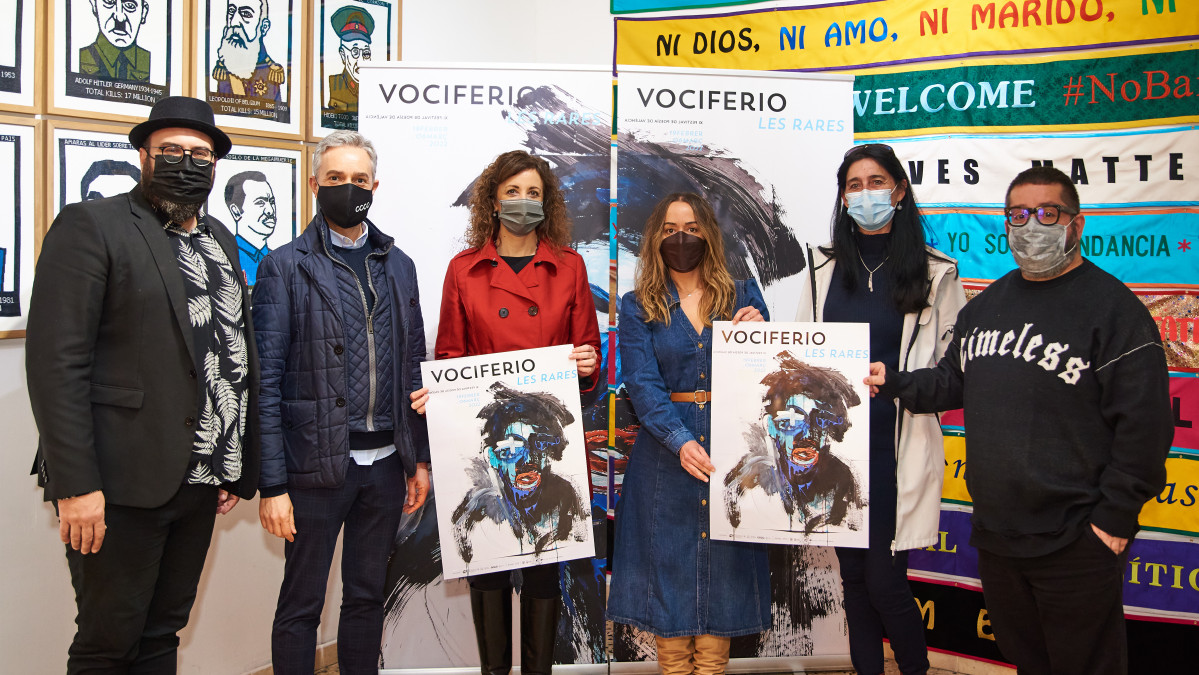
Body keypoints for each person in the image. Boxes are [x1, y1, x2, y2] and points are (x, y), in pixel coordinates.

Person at [865, 166, 1172, 675]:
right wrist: (892, 381)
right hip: (1000, 537)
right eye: (1018, 214)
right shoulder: (986, 307)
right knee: (1026, 659)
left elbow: (1146, 426)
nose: (1032, 225)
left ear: (1076, 223)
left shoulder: (1114, 309)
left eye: (1047, 213)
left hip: (1077, 538)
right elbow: (950, 382)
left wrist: (1114, 521)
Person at [26, 95, 259, 673]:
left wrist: (230, 457)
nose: (186, 161)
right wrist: (76, 485)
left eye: (199, 154)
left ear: (214, 166)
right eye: (171, 150)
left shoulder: (221, 241)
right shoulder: (93, 224)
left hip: (202, 478)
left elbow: (226, 349)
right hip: (118, 482)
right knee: (109, 642)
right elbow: (57, 363)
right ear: (143, 155)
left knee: (162, 634)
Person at [410, 149, 601, 675]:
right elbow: (449, 356)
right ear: (493, 201)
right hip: (487, 447)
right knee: (487, 564)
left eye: (534, 193)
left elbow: (589, 356)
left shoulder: (570, 267)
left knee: (543, 567)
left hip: (546, 448)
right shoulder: (463, 271)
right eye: (512, 191)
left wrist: (587, 362)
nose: (523, 202)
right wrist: (438, 395)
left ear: (547, 202)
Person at [252, 130, 431, 674]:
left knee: (365, 599)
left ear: (375, 186)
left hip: (384, 469)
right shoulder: (284, 266)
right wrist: (273, 485)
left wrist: (417, 458)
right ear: (314, 185)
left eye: (358, 180)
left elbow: (416, 369)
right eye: (335, 179)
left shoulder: (400, 265)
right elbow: (267, 382)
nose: (347, 189)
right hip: (315, 468)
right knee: (301, 607)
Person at [797, 143, 966, 675]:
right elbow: (800, 354)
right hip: (839, 448)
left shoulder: (937, 274)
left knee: (886, 584)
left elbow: (953, 377)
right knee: (853, 584)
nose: (865, 193)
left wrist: (895, 383)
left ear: (898, 191)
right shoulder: (821, 268)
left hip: (897, 446)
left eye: (876, 182)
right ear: (843, 198)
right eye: (853, 184)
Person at [607, 192, 772, 675]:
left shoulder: (744, 294)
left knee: (722, 587)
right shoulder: (638, 305)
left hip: (731, 457)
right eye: (671, 228)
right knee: (669, 587)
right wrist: (679, 440)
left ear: (709, 236)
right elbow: (641, 384)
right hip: (664, 458)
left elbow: (774, 376)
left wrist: (761, 332)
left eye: (693, 227)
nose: (683, 237)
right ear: (656, 239)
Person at [212, 0, 284, 101]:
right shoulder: (222, 70)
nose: (234, 23)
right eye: (231, 12)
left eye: (246, 14)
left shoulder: (271, 73)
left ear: (264, 27)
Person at [224, 170, 277, 285]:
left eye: (271, 202)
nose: (270, 210)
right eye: (260, 203)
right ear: (236, 211)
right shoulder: (225, 259)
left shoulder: (279, 259)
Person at [79, 0, 151, 82]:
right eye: (109, 2)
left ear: (143, 13)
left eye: (130, 6)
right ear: (94, 5)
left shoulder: (152, 63)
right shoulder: (79, 58)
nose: (120, 18)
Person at [326, 5, 374, 113]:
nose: (361, 60)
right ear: (343, 55)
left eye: (366, 53)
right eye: (355, 52)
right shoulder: (333, 84)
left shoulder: (375, 90)